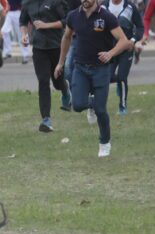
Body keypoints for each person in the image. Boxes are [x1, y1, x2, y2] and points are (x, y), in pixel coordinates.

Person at [55, 0, 131, 157]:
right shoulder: (73, 16)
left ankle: (104, 143)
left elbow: (124, 41)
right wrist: (60, 63)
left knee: (101, 110)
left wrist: (110, 53)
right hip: (80, 68)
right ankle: (91, 104)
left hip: (101, 70)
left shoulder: (106, 17)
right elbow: (66, 37)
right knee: (77, 105)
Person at [20, 0, 72, 132]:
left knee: (57, 83)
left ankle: (65, 90)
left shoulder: (56, 1)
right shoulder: (27, 3)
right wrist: (24, 35)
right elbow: (23, 21)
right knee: (43, 81)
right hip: (39, 48)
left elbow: (67, 21)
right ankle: (46, 120)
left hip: (56, 47)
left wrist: (46, 25)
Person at [103, 0, 143, 114]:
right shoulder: (104, 7)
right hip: (110, 50)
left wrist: (133, 40)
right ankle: (119, 84)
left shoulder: (130, 7)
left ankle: (122, 106)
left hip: (126, 49)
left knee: (122, 77)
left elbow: (140, 27)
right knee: (107, 77)